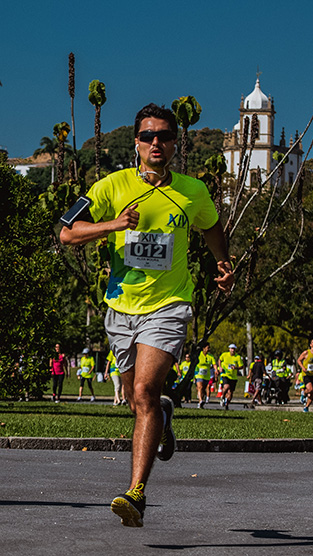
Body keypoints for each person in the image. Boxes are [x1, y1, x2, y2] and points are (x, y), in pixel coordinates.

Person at [60, 103, 234, 527]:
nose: (157, 142)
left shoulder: (193, 190)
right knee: (138, 401)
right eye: (148, 135)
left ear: (176, 142)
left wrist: (222, 264)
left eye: (165, 136)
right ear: (136, 142)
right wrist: (113, 225)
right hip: (120, 307)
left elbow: (211, 227)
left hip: (168, 305)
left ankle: (135, 493)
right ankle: (163, 415)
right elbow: (66, 233)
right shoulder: (110, 186)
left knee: (143, 393)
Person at [297, 339, 313, 412]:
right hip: (306, 374)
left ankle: (306, 407)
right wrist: (303, 367)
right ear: (310, 345)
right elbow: (299, 360)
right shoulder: (306, 352)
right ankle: (303, 393)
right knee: (310, 389)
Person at [218, 343, 244, 410]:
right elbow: (219, 360)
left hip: (233, 377)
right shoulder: (224, 355)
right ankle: (222, 396)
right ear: (229, 349)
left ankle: (227, 404)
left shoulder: (237, 357)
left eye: (234, 349)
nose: (232, 350)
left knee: (230, 393)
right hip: (226, 374)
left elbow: (241, 366)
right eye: (231, 349)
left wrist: (236, 368)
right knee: (226, 386)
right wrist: (220, 367)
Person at [195, 343, 218, 408]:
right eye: (208, 347)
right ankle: (200, 400)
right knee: (200, 387)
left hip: (207, 375)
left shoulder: (210, 356)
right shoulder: (199, 355)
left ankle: (200, 403)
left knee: (203, 389)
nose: (209, 349)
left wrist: (216, 370)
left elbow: (214, 364)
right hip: (199, 374)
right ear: (204, 348)